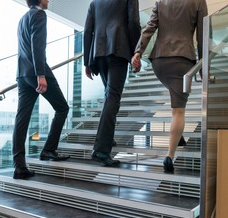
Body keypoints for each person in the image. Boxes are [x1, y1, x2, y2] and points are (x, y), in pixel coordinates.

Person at [131, 0, 208, 173]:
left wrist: (138, 52)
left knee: (174, 96)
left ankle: (178, 137)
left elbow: (149, 27)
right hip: (183, 59)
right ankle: (169, 157)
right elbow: (203, 35)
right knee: (178, 111)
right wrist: (203, 64)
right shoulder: (198, 1)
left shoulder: (160, 1)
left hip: (159, 61)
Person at [12, 0, 70, 180]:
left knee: (21, 119)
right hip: (37, 72)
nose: (49, 0)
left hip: (22, 74)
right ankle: (48, 150)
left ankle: (19, 167)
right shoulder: (39, 14)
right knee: (62, 108)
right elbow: (38, 46)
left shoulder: (23, 18)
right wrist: (41, 74)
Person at [83, 0, 141, 167]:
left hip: (98, 52)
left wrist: (87, 61)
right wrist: (137, 52)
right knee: (113, 98)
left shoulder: (95, 2)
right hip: (118, 49)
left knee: (110, 97)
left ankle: (106, 138)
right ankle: (101, 150)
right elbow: (134, 23)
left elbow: (87, 31)